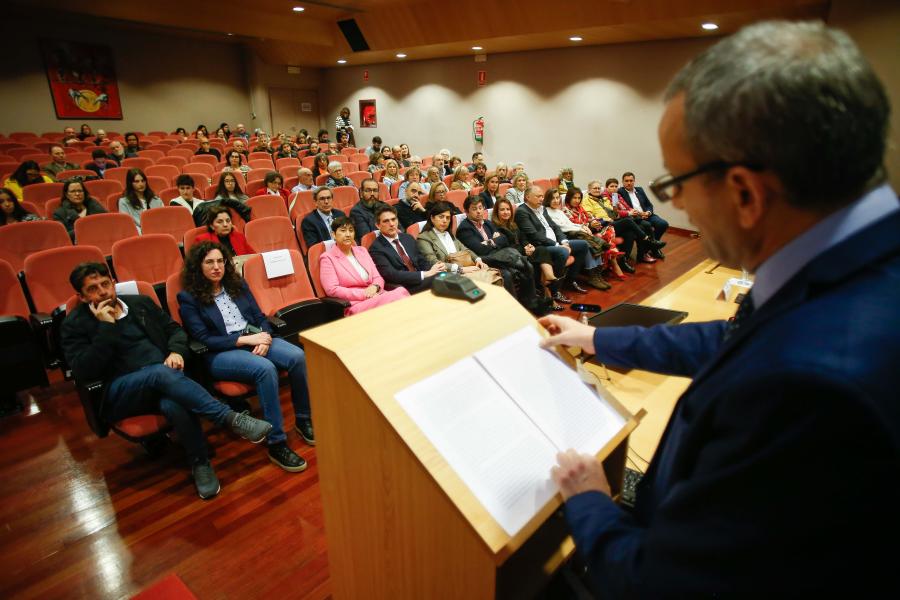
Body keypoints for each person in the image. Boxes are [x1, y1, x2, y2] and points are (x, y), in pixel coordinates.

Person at [543, 21, 900, 597]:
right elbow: (739, 339)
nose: (677, 202)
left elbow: (661, 584)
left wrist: (589, 502)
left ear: (744, 194)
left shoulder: (811, 386)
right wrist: (594, 338)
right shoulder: (857, 264)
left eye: (676, 183)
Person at [61, 262, 273, 499]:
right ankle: (227, 417)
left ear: (113, 283)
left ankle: (200, 463)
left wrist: (175, 352)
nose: (102, 292)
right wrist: (106, 328)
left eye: (105, 284)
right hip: (121, 391)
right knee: (159, 373)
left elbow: (175, 331)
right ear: (80, 296)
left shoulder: (139, 303)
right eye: (92, 289)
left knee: (174, 402)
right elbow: (84, 370)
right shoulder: (74, 325)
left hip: (164, 381)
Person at [177, 242, 313, 472]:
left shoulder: (237, 284)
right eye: (209, 262)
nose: (217, 267)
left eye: (220, 261)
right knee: (265, 369)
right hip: (221, 352)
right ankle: (276, 442)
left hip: (255, 337)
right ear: (198, 267)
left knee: (298, 356)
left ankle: (303, 419)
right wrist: (245, 341)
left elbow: (259, 316)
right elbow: (203, 338)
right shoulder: (189, 297)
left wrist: (265, 336)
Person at [457, 196, 544, 312]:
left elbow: (504, 240)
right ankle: (513, 309)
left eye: (480, 208)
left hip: (500, 256)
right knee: (507, 274)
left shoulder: (487, 223)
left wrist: (488, 242)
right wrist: (494, 241)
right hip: (483, 261)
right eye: (474, 209)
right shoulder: (464, 228)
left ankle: (530, 302)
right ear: (466, 212)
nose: (478, 211)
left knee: (526, 267)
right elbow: (479, 249)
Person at [319, 216, 410, 315]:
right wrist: (365, 294)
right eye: (343, 231)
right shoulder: (327, 258)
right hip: (355, 303)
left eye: (351, 230)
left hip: (377, 295)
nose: (348, 234)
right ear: (333, 234)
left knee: (400, 292)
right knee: (399, 294)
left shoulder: (362, 250)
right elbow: (332, 289)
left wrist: (375, 287)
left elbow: (377, 276)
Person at [492, 197, 567, 310]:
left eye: (508, 209)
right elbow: (506, 249)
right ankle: (550, 287)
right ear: (496, 212)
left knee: (541, 250)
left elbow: (523, 238)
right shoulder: (495, 228)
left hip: (523, 253)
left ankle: (549, 282)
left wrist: (528, 245)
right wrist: (524, 250)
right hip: (513, 258)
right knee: (540, 254)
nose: (506, 212)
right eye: (502, 210)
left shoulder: (513, 224)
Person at [515, 184, 590, 296]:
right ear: (527, 197)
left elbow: (554, 227)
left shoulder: (542, 209)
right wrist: (556, 245)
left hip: (556, 243)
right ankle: (555, 290)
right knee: (562, 251)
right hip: (541, 246)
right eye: (538, 196)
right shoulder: (522, 211)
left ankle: (571, 280)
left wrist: (564, 241)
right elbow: (534, 235)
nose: (541, 199)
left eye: (542, 196)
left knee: (583, 244)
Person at [369, 205, 445, 294]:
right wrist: (425, 274)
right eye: (386, 221)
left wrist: (434, 268)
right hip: (404, 286)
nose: (392, 224)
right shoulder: (376, 248)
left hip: (421, 279)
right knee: (443, 278)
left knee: (444, 274)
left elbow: (421, 260)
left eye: (394, 219)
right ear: (378, 225)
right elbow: (391, 274)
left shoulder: (407, 238)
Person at [544, 189, 610, 290]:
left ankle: (597, 275)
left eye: (557, 198)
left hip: (573, 232)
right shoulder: (546, 212)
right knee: (587, 244)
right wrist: (581, 228)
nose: (556, 200)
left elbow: (570, 224)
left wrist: (582, 227)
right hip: (564, 237)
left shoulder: (558, 211)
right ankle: (592, 276)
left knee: (592, 243)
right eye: (553, 198)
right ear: (547, 199)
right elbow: (562, 228)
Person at [564, 187, 627, 280]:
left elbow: (592, 217)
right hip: (581, 234)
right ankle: (613, 260)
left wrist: (594, 222)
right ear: (568, 198)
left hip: (593, 228)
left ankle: (611, 260)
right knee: (603, 235)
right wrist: (590, 224)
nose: (577, 200)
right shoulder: (566, 210)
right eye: (574, 198)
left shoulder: (581, 207)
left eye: (579, 198)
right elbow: (574, 225)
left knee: (611, 228)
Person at [416, 202, 489, 276]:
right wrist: (460, 269)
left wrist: (478, 260)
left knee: (490, 273)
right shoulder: (424, 238)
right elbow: (433, 262)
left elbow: (465, 249)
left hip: (466, 268)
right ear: (432, 218)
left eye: (447, 218)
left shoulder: (449, 234)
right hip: (446, 275)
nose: (445, 221)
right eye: (441, 217)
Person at [620, 171, 668, 256]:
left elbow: (649, 204)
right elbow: (619, 207)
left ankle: (653, 246)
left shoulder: (640, 190)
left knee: (663, 224)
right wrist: (639, 214)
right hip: (635, 217)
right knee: (645, 226)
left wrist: (648, 212)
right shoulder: (619, 192)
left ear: (634, 181)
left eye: (631, 180)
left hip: (647, 214)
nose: (629, 183)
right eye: (626, 181)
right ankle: (654, 248)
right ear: (622, 182)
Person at [349, 178, 387, 242]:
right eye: (368, 190)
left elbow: (399, 229)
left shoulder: (384, 206)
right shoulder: (356, 212)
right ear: (361, 193)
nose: (372, 194)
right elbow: (367, 238)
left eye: (375, 190)